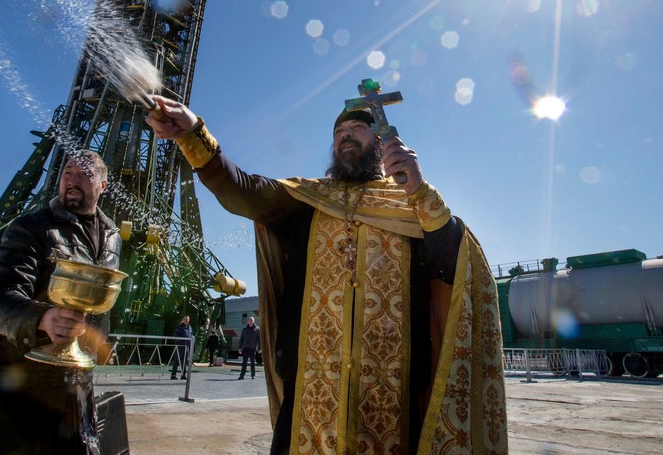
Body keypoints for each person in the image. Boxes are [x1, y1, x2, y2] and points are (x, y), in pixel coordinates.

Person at [146, 96, 508, 454]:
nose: (345, 136)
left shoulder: (411, 206)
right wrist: (194, 134)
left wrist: (418, 191)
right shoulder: (306, 199)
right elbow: (242, 190)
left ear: (381, 142)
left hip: (393, 404)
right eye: (339, 131)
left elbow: (456, 264)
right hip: (309, 400)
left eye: (357, 128)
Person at [0, 150, 121, 454]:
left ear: (103, 185)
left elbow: (97, 306)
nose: (72, 179)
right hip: (13, 390)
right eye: (67, 172)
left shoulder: (112, 237)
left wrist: (100, 344)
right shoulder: (32, 227)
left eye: (84, 173)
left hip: (72, 389)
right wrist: (43, 318)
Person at [170, 315, 193, 379]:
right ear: (183, 320)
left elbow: (190, 335)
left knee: (185, 361)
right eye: (185, 319)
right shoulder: (179, 327)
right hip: (180, 346)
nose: (186, 321)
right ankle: (173, 375)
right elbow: (176, 335)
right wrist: (180, 342)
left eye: (187, 319)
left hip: (187, 346)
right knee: (177, 360)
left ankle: (183, 375)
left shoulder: (189, 327)